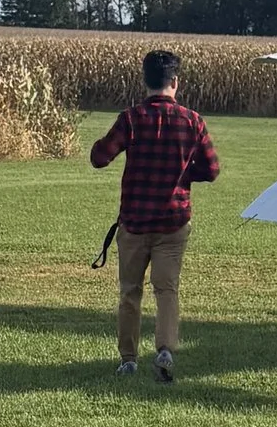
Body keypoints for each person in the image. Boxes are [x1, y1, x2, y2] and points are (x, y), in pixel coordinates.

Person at [91, 51, 220, 381]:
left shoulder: (132, 119)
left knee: (129, 292)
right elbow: (212, 169)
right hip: (174, 223)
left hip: (134, 223)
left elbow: (100, 158)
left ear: (145, 80)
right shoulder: (193, 121)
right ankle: (164, 349)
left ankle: (128, 358)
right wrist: (183, 173)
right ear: (175, 82)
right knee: (167, 289)